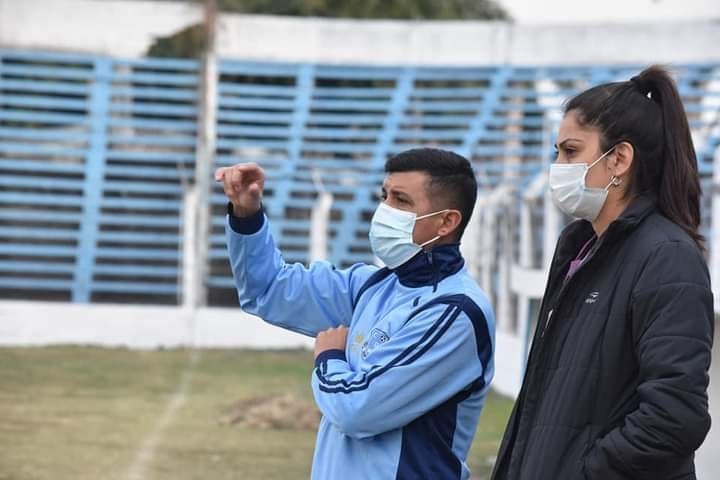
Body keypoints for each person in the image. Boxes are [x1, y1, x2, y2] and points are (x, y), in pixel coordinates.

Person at [216, 148, 495, 479]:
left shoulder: (454, 312)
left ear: (446, 222)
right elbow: (269, 290)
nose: (385, 210)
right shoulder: (373, 286)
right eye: (385, 196)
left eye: (402, 201)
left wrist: (331, 357)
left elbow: (357, 410)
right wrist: (247, 216)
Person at [492, 65, 714, 480]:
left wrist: (583, 472)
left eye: (571, 151)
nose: (558, 165)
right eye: (556, 152)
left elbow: (674, 417)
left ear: (619, 159)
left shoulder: (666, 257)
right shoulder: (579, 250)